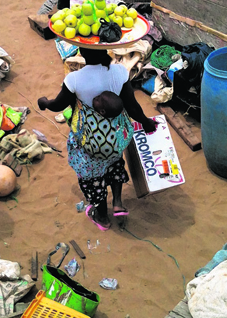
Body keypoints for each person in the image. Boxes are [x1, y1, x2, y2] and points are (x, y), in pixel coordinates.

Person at [38, 48, 157, 230]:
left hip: (89, 143)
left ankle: (102, 216)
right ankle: (117, 202)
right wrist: (146, 122)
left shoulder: (74, 79)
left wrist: (45, 102)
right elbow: (133, 107)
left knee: (92, 177)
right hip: (115, 137)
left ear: (82, 51)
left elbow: (58, 105)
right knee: (115, 164)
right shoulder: (119, 72)